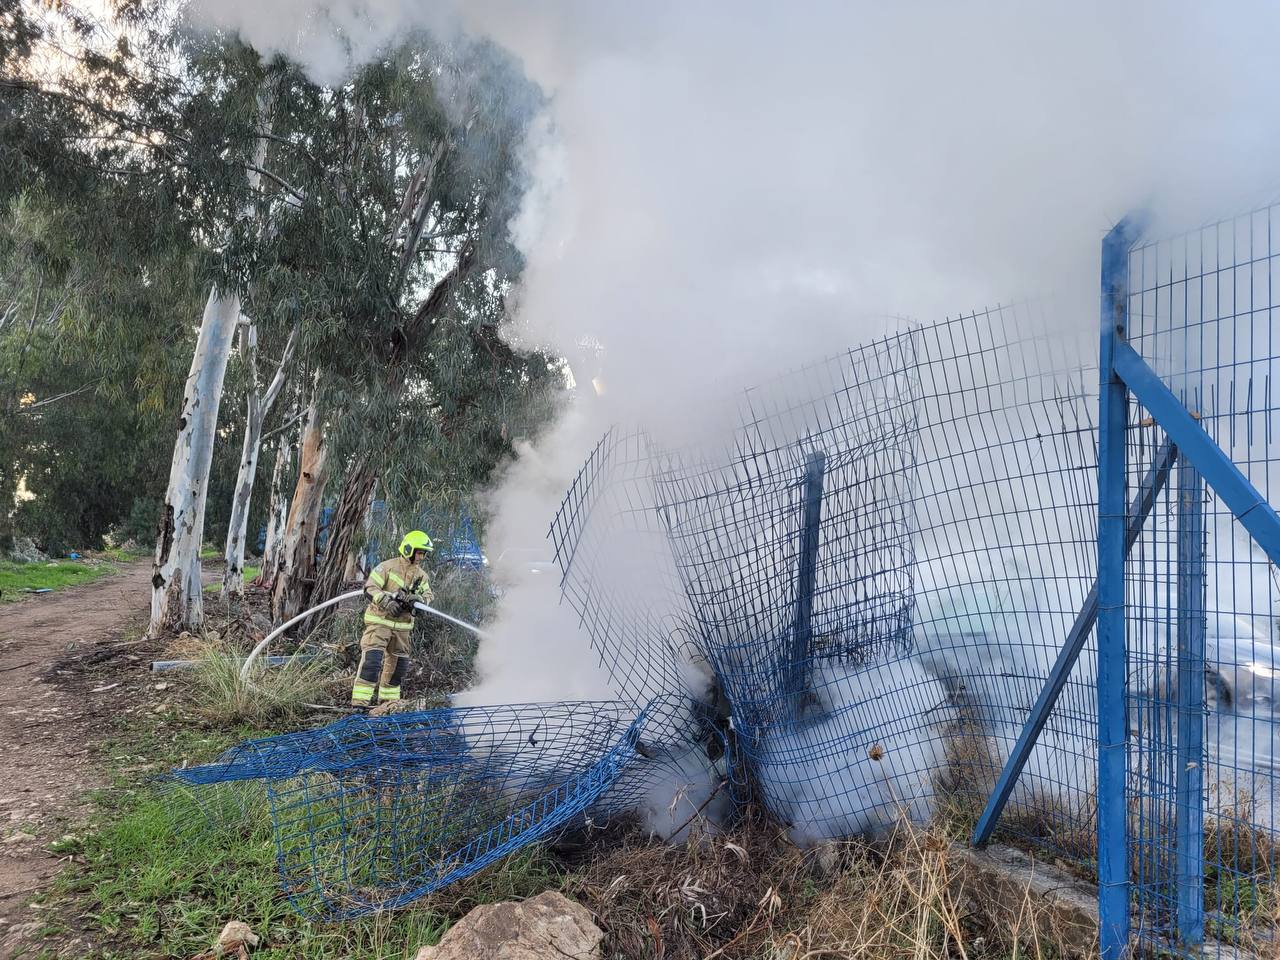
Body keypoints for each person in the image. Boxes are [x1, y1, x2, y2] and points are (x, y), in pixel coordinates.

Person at [351, 530, 434, 709]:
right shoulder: (387, 567)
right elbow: (370, 587)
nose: (421, 557)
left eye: (423, 553)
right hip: (380, 623)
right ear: (408, 549)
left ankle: (388, 705)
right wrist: (386, 602)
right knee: (371, 663)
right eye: (419, 552)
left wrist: (418, 601)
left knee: (397, 668)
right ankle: (359, 705)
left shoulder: (422, 577)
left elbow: (428, 596)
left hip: (403, 628)